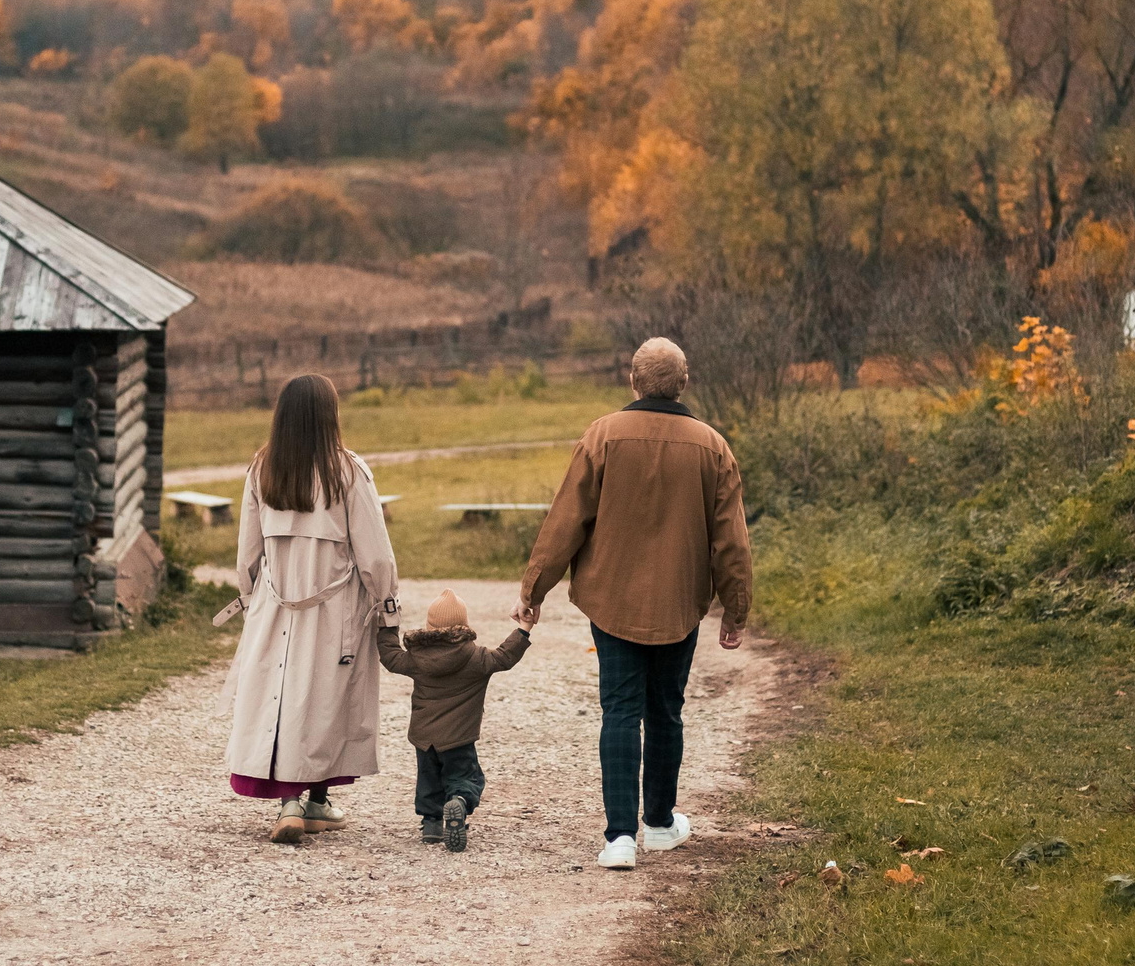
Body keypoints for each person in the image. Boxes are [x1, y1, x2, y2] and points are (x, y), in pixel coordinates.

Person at [517, 337, 752, 871]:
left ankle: (619, 838)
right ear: (684, 383)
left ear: (633, 380)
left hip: (612, 600)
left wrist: (533, 591)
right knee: (666, 711)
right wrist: (735, 610)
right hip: (680, 602)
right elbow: (731, 542)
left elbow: (566, 521)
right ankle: (661, 825)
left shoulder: (602, 436)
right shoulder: (713, 447)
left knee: (620, 712)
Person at [221, 373, 401, 846]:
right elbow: (376, 555)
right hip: (335, 606)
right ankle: (302, 803)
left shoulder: (262, 469)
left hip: (274, 603)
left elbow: (247, 553)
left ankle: (305, 803)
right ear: (329, 416)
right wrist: (388, 609)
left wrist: (252, 600)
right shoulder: (349, 472)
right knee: (326, 698)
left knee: (282, 695)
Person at [376, 587, 531, 852]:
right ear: (464, 625)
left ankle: (431, 824)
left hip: (424, 738)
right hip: (459, 737)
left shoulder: (416, 657)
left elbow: (390, 657)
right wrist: (524, 629)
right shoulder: (476, 657)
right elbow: (506, 656)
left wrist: (387, 625)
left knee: (428, 779)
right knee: (466, 778)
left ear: (430, 625)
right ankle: (459, 801)